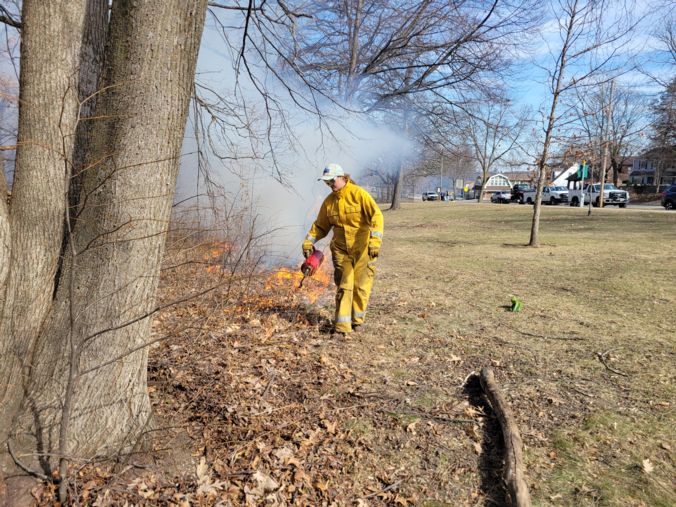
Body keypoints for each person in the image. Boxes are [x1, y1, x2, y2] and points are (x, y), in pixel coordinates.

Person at [302, 163, 384, 335]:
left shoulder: (359, 194)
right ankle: (341, 327)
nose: (330, 185)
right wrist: (309, 241)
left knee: (361, 287)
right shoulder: (329, 202)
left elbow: (376, 216)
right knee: (344, 286)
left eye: (332, 181)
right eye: (327, 182)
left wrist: (375, 241)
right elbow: (320, 226)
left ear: (342, 177)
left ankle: (357, 321)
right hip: (341, 250)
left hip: (363, 249)